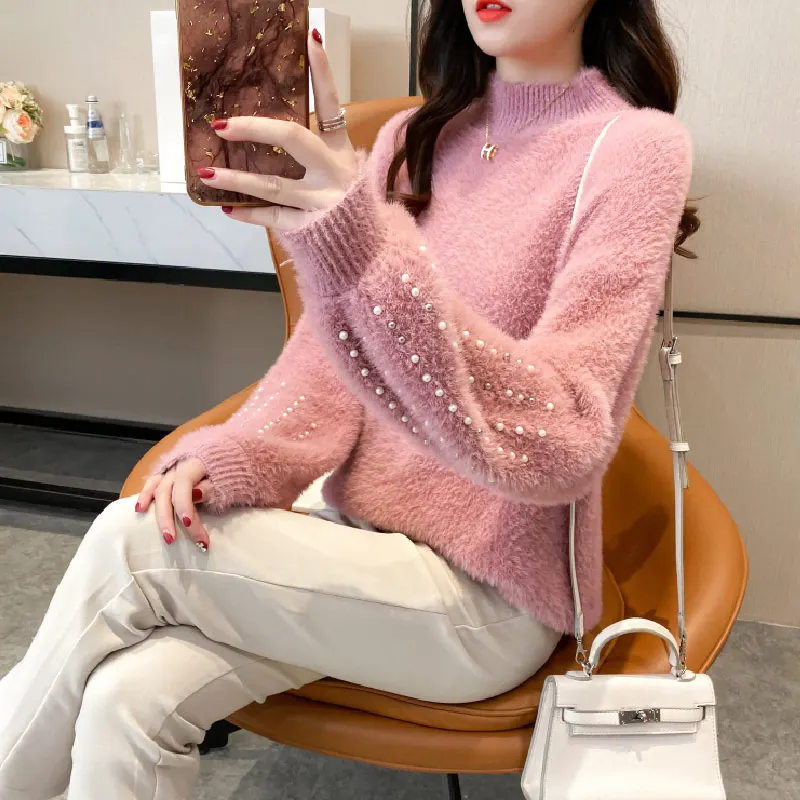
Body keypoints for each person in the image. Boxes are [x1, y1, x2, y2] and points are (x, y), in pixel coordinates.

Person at [0, 0, 697, 797]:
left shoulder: (634, 149)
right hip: (350, 544)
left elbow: (564, 442)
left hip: (486, 596)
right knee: (126, 700)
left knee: (132, 544)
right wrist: (235, 456)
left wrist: (367, 244)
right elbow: (326, 366)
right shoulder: (414, 140)